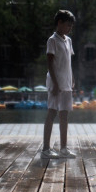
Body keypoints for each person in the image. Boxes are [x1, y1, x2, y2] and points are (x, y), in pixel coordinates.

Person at [41, 10, 77, 159]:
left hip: (66, 82)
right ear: (59, 23)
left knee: (64, 115)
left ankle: (63, 148)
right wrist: (55, 83)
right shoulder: (52, 40)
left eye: (71, 26)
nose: (69, 28)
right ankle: (45, 149)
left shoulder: (68, 40)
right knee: (52, 112)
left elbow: (69, 61)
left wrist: (73, 78)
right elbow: (50, 62)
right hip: (56, 82)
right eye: (67, 25)